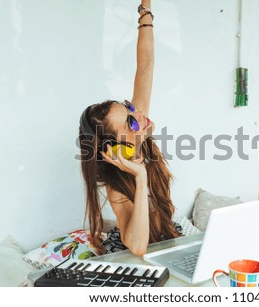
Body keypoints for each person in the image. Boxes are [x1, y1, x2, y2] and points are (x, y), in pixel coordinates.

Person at [78, 0, 182, 257]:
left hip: (166, 239)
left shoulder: (139, 132)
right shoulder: (117, 186)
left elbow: (145, 64)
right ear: (116, 147)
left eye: (130, 107)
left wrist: (145, 9)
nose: (139, 115)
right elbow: (137, 246)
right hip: (141, 254)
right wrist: (140, 176)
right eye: (130, 121)